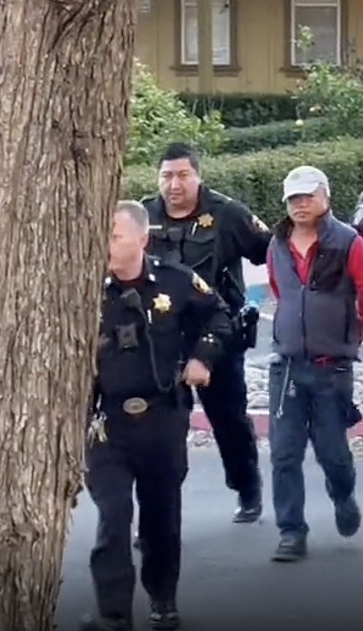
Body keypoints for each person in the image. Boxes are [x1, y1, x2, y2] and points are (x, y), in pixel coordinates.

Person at [82, 200, 233, 631]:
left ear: (142, 238)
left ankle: (163, 600)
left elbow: (220, 316)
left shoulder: (175, 280)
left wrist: (202, 358)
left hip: (161, 416)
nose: (107, 244)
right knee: (113, 521)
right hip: (105, 421)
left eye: (115, 235)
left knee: (160, 517)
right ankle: (113, 615)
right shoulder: (83, 285)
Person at [142, 142, 271, 523]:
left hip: (217, 336)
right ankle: (157, 513)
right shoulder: (143, 214)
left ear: (198, 176)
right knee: (157, 430)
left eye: (183, 175)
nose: (174, 184)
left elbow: (272, 252)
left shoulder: (227, 214)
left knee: (228, 421)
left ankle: (248, 489)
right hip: (160, 340)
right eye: (167, 176)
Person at [264, 165, 363, 562]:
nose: (300, 204)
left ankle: (343, 495)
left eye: (308, 196)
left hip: (331, 366)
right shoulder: (277, 243)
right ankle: (291, 531)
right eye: (293, 197)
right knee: (284, 453)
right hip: (286, 365)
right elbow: (276, 288)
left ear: (325, 198)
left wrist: (356, 325)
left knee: (332, 452)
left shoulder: (347, 241)